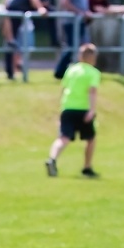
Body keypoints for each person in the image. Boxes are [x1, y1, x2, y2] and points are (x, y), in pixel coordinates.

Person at [46, 42, 100, 178]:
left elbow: (63, 89)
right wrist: (92, 110)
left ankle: (52, 158)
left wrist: (60, 108)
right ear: (92, 58)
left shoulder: (71, 70)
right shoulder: (93, 72)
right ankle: (87, 167)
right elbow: (92, 91)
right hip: (83, 109)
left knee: (64, 137)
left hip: (67, 107)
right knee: (90, 139)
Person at [3, 0, 51, 78]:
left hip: (27, 12)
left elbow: (46, 1)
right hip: (15, 11)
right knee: (11, 42)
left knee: (52, 12)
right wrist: (40, 8)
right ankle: (10, 72)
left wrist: (42, 6)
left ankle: (56, 40)